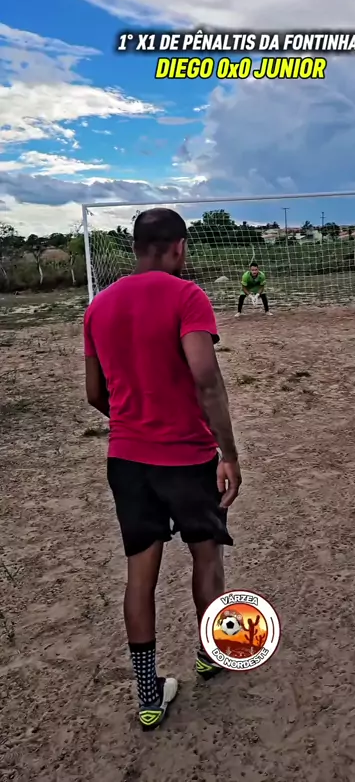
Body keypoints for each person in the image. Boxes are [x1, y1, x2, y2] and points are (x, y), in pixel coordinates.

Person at [83, 207, 242, 732]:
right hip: (189, 457)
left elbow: (94, 394)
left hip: (127, 460)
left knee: (139, 576)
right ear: (179, 247)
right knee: (206, 557)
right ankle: (211, 654)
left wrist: (134, 422)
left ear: (134, 248)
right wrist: (228, 453)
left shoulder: (98, 307)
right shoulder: (186, 296)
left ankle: (149, 694)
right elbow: (206, 378)